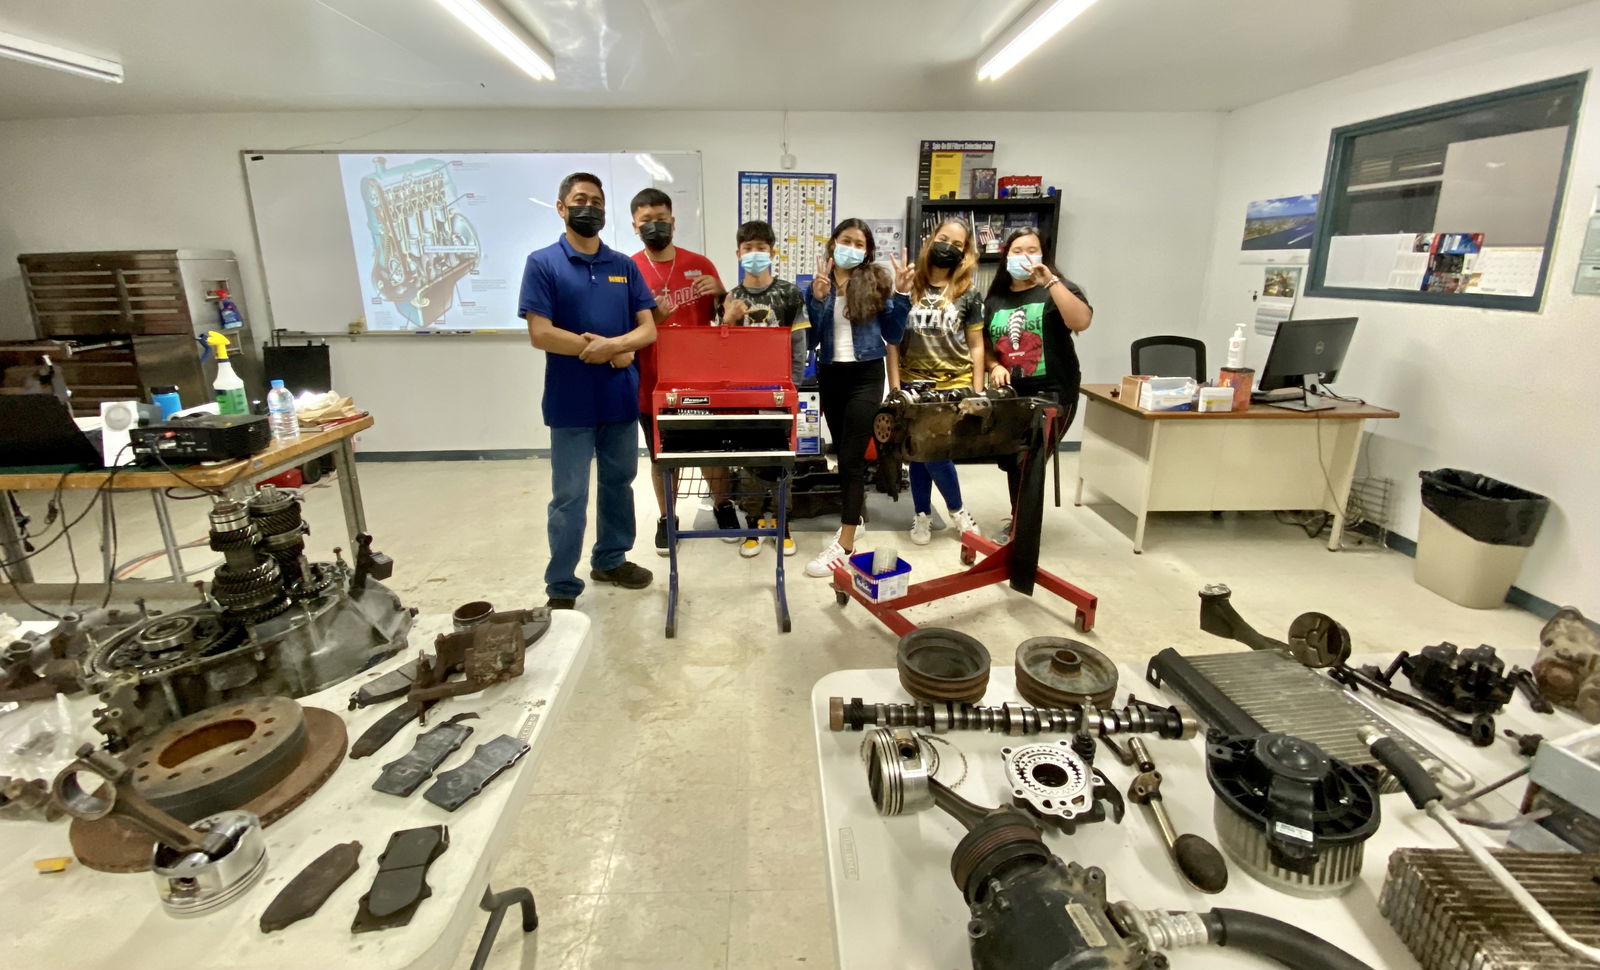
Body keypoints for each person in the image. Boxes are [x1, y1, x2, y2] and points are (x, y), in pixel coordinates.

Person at [519, 172, 658, 610]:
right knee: (570, 496)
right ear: (561, 207)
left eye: (597, 202)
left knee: (619, 484)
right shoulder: (543, 263)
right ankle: (561, 584)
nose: (590, 208)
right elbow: (540, 333)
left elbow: (648, 329)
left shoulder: (623, 266)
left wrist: (618, 347)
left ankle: (611, 559)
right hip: (571, 402)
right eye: (580, 200)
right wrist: (600, 350)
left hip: (618, 399)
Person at [802, 218, 914, 578]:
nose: (852, 247)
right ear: (833, 242)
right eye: (846, 240)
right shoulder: (817, 284)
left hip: (866, 374)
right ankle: (856, 517)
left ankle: (846, 544)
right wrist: (818, 301)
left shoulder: (876, 281)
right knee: (841, 454)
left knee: (851, 457)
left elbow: (893, 333)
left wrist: (901, 295)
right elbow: (812, 341)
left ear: (867, 251)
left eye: (860, 243)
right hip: (831, 374)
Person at [627, 187, 731, 555]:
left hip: (701, 379)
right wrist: (654, 319)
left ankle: (723, 505)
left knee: (711, 450)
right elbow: (622, 332)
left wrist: (721, 292)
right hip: (651, 380)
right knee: (662, 455)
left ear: (673, 220)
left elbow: (727, 321)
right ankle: (666, 517)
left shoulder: (700, 264)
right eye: (646, 222)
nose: (655, 226)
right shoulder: (628, 268)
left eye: (661, 219)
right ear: (634, 225)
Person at [982, 228, 1092, 545]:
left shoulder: (1058, 289)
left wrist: (1052, 282)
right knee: (1015, 461)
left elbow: (1080, 321)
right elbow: (986, 344)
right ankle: (1019, 522)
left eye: (1032, 249)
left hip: (1054, 392)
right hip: (1012, 396)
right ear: (1006, 257)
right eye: (1017, 250)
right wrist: (994, 365)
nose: (1024, 256)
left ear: (1044, 255)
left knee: (1029, 463)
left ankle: (1022, 532)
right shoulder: (996, 299)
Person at [886, 218, 985, 546]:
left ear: (965, 253)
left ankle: (956, 510)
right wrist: (896, 387)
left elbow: (976, 345)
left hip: (954, 384)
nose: (949, 248)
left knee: (935, 451)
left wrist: (978, 390)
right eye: (944, 239)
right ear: (931, 240)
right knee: (918, 451)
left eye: (957, 245)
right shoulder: (908, 285)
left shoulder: (968, 292)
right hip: (915, 384)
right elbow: (893, 341)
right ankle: (923, 514)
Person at [719, 219, 808, 557]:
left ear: (772, 253)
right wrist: (728, 321)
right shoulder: (731, 297)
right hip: (743, 393)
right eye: (747, 249)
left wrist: (793, 388)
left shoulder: (788, 293)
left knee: (782, 455)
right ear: (738, 253)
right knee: (750, 457)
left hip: (781, 390)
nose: (754, 254)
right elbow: (719, 351)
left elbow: (798, 345)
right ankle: (754, 522)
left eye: (761, 248)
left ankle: (782, 522)